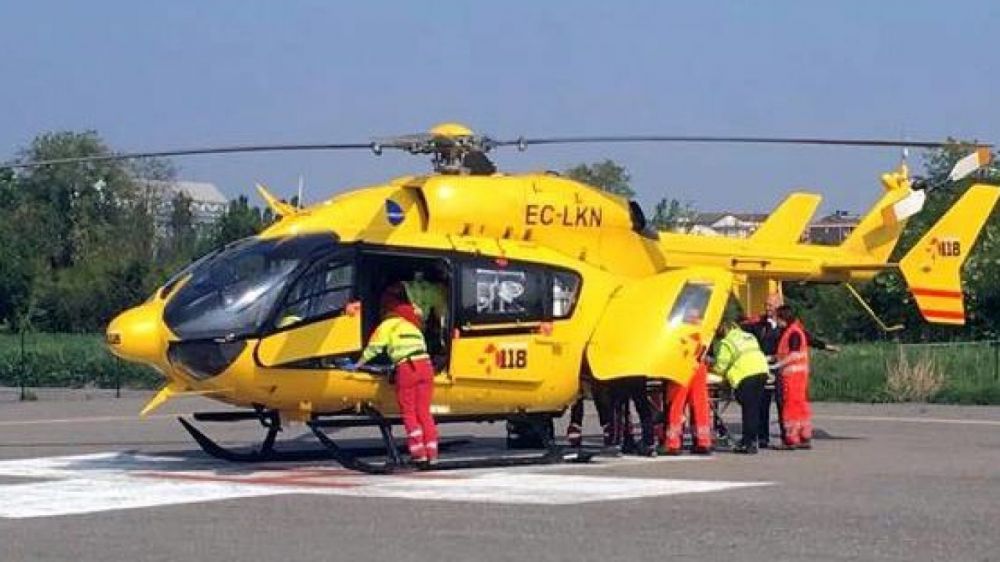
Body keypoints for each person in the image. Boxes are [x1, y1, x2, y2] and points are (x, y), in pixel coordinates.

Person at [348, 298, 439, 466]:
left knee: (409, 411)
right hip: (426, 366)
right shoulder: (413, 327)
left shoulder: (387, 325)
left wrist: (357, 365)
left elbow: (374, 349)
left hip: (408, 367)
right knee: (424, 412)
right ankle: (432, 453)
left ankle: (418, 453)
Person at [710, 321, 770, 454]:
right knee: (753, 409)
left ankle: (748, 443)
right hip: (761, 371)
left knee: (748, 411)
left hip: (745, 375)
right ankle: (751, 440)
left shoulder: (726, 342)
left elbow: (721, 367)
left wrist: (712, 368)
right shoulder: (748, 336)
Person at [772, 305, 813, 450]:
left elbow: (793, 354)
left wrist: (776, 366)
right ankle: (803, 435)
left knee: (790, 407)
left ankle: (791, 437)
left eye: (777, 317)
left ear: (783, 318)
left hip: (792, 375)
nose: (775, 320)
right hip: (799, 375)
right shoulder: (795, 331)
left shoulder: (793, 333)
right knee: (800, 405)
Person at [657, 360, 713, 455]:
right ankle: (703, 441)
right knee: (700, 405)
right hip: (699, 363)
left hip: (680, 364)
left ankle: (673, 443)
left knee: (676, 405)